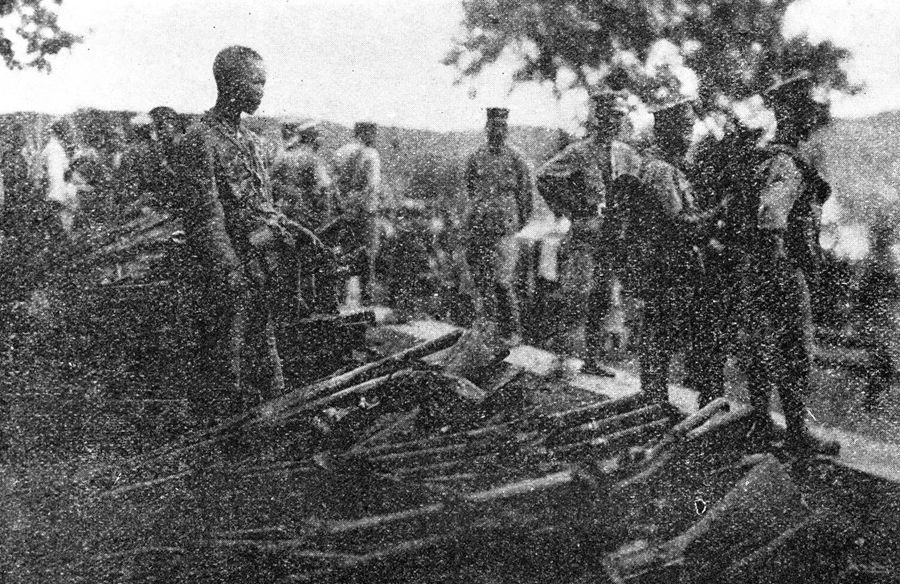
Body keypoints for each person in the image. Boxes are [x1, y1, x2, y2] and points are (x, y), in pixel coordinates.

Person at [174, 45, 323, 420]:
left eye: (263, 82)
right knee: (227, 358)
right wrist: (231, 270)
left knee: (264, 350)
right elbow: (206, 217)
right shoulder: (199, 139)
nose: (261, 90)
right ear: (229, 83)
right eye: (256, 82)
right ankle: (221, 433)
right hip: (226, 273)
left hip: (258, 267)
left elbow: (262, 205)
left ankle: (268, 422)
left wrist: (294, 229)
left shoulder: (252, 142)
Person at [742, 73, 838, 455]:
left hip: (763, 267)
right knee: (793, 350)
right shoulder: (786, 163)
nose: (811, 120)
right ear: (790, 115)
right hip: (780, 267)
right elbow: (770, 219)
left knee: (766, 346)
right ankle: (796, 432)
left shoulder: (768, 157)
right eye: (805, 112)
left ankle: (762, 424)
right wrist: (781, 270)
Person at [536, 90, 640, 370]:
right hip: (586, 232)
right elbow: (544, 176)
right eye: (608, 116)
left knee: (603, 296)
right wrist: (572, 207)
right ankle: (560, 356)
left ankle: (592, 359)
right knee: (577, 293)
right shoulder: (579, 151)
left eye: (619, 116)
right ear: (597, 118)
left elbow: (636, 191)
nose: (614, 122)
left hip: (613, 235)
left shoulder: (628, 155)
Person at [633, 98, 706, 405]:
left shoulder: (669, 166)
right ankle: (654, 402)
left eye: (691, 126)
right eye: (685, 127)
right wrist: (717, 215)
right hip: (665, 263)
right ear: (667, 130)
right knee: (660, 334)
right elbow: (680, 222)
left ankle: (655, 400)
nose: (690, 134)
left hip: (667, 262)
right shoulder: (661, 170)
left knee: (662, 333)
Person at [462, 107, 535, 340]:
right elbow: (471, 189)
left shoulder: (516, 159)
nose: (498, 131)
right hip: (480, 228)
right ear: (487, 128)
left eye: (502, 126)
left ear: (507, 129)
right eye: (494, 126)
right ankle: (488, 329)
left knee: (502, 281)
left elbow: (526, 196)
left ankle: (512, 331)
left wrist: (515, 224)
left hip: (504, 230)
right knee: (482, 280)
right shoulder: (476, 157)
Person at [333, 121, 386, 304]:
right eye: (373, 133)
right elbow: (372, 186)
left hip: (343, 212)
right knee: (368, 255)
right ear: (367, 133)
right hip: (366, 213)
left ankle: (339, 298)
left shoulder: (340, 152)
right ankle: (366, 299)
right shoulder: (371, 154)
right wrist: (359, 205)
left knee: (343, 254)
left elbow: (334, 184)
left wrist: (345, 205)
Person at [272, 118, 335, 230]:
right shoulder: (311, 158)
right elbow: (324, 185)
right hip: (305, 211)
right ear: (313, 139)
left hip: (285, 208)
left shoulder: (285, 154)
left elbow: (272, 177)